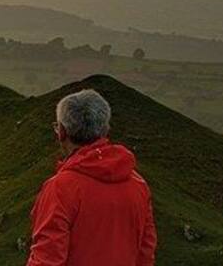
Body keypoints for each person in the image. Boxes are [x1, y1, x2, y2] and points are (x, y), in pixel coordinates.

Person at [27, 89, 156, 266]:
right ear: (106, 129)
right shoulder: (138, 184)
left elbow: (47, 260)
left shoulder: (60, 189)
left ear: (62, 133)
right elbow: (145, 253)